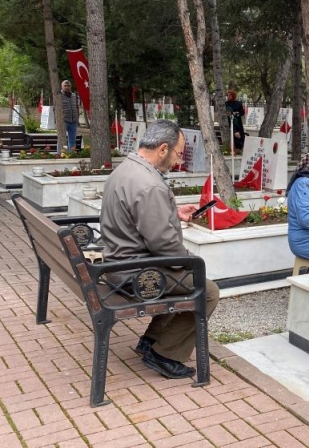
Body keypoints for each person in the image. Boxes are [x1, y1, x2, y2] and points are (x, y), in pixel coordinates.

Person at [100, 119, 219, 379]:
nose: (178, 160)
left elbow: (137, 214)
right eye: (178, 153)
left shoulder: (127, 169)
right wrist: (191, 261)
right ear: (163, 149)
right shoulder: (149, 184)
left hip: (119, 263)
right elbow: (164, 245)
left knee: (185, 278)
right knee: (206, 289)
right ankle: (165, 354)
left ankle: (151, 340)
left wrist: (172, 212)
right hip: (133, 273)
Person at [59, 80, 79, 152]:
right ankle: (60, 154)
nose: (67, 87)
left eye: (68, 86)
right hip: (64, 120)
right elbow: (55, 108)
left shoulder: (74, 95)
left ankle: (71, 154)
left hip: (74, 121)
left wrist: (77, 116)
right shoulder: (59, 95)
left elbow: (76, 106)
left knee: (72, 140)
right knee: (62, 139)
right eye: (65, 86)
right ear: (62, 86)